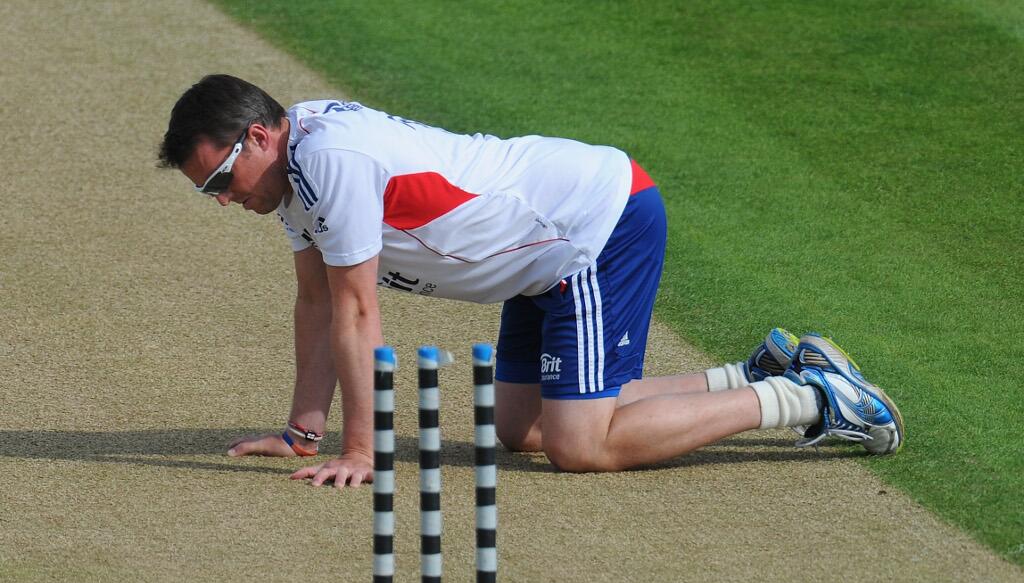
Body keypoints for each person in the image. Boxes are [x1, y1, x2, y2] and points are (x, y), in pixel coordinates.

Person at [157, 74, 904, 488]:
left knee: (580, 445)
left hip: (590, 228)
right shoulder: (292, 178)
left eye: (221, 180)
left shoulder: (330, 161)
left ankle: (815, 398)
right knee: (524, 430)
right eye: (207, 191)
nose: (223, 199)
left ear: (261, 136)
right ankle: (755, 373)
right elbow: (315, 302)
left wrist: (362, 451)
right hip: (534, 264)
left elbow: (355, 314)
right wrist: (301, 433)